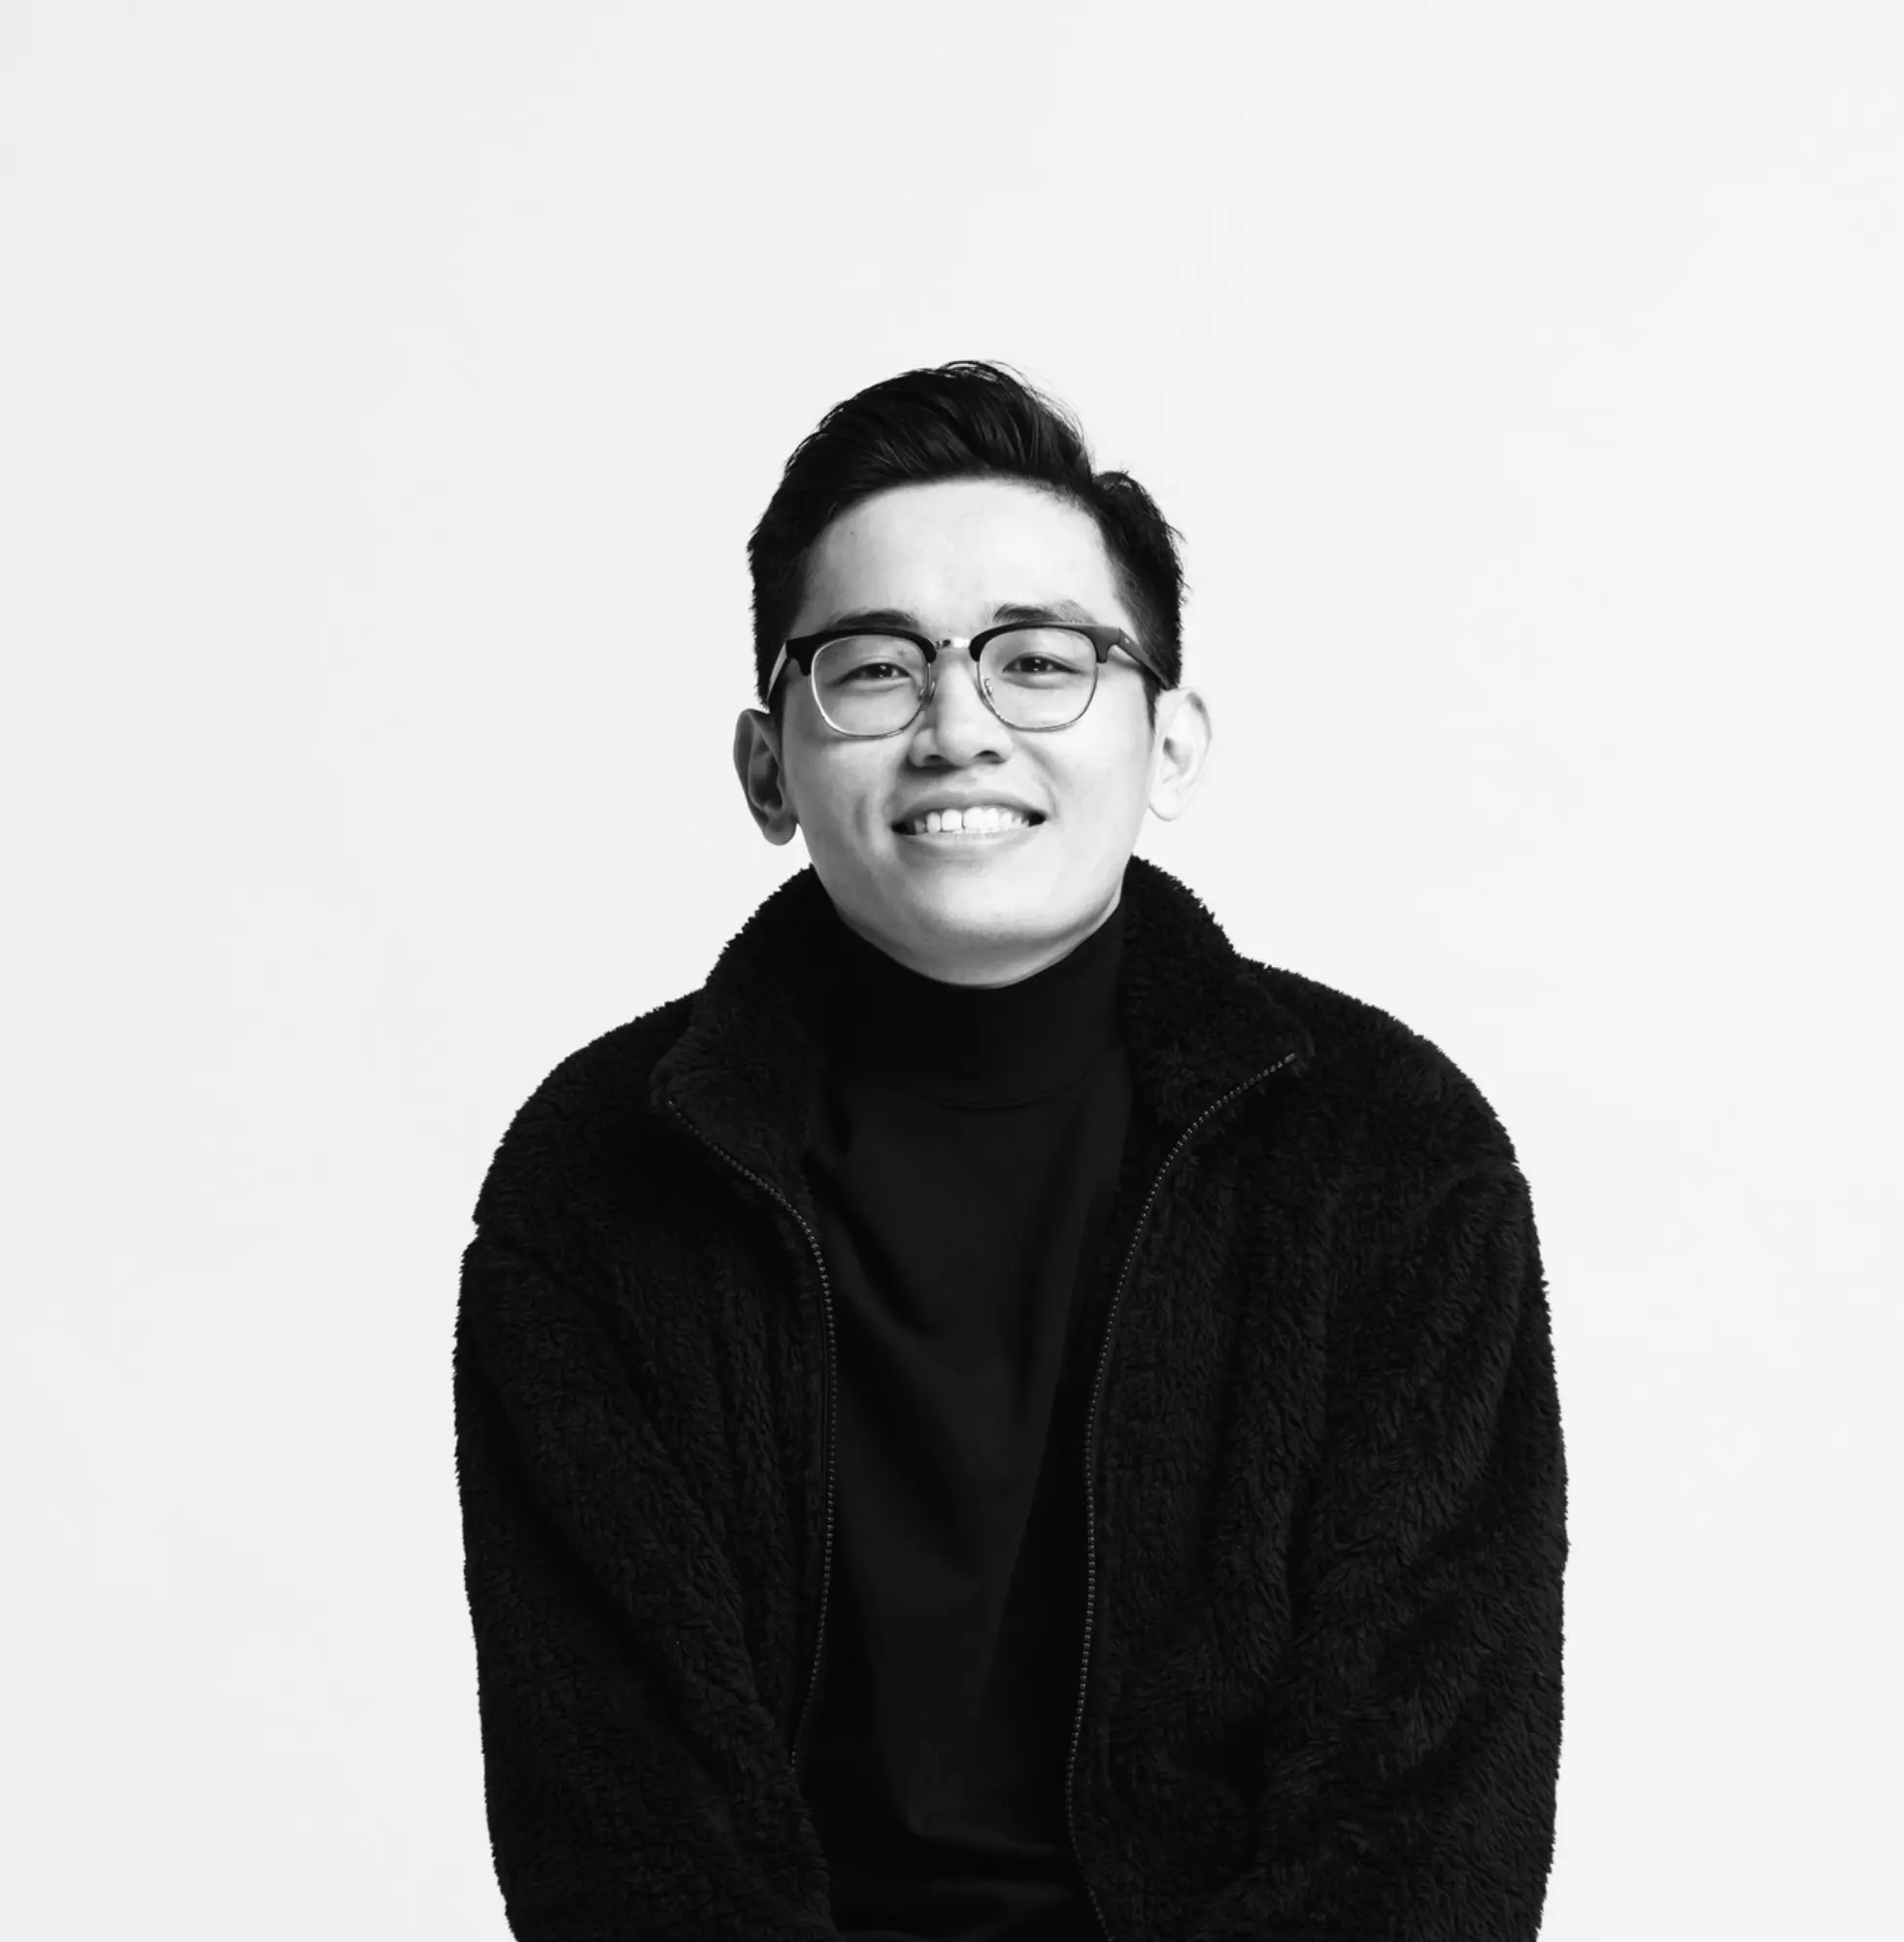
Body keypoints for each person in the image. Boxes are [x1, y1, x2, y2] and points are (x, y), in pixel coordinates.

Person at [452, 361, 1569, 1942]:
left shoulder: (1388, 1159)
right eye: (875, 668)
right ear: (767, 767)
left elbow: (1425, 1835)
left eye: (1040, 662)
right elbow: (620, 1832)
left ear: (1170, 744)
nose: (959, 729)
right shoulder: (600, 1175)